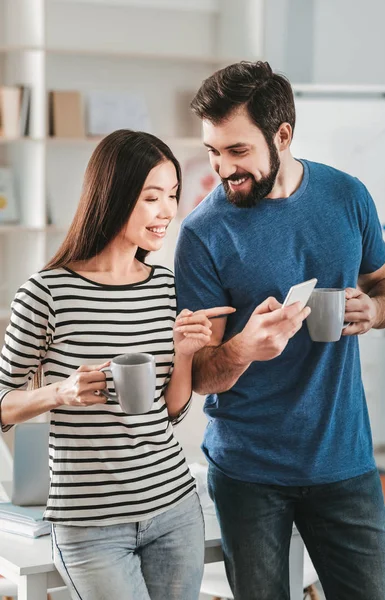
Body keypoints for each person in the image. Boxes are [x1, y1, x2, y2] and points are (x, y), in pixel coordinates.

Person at [174, 61, 385, 600]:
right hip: (248, 472)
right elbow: (201, 374)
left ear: (282, 135)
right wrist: (243, 348)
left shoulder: (347, 196)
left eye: (237, 151)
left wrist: (375, 310)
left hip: (344, 461)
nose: (222, 169)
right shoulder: (203, 233)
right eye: (213, 151)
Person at [0, 129, 234, 600]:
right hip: (89, 527)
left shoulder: (166, 287)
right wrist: (59, 393)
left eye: (171, 195)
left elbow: (168, 412)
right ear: (114, 195)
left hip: (173, 507)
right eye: (152, 197)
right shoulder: (46, 293)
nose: (168, 211)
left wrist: (185, 353)